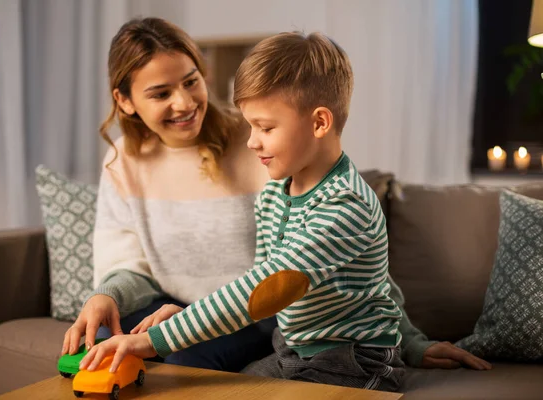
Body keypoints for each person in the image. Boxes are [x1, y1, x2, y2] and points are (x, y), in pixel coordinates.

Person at [63, 17, 491, 375]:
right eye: (159, 93)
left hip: (332, 351)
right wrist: (141, 306)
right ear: (126, 100)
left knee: (191, 366)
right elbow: (277, 274)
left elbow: (273, 288)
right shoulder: (276, 186)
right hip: (280, 337)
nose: (251, 142)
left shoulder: (334, 197)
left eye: (191, 81)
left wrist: (411, 342)